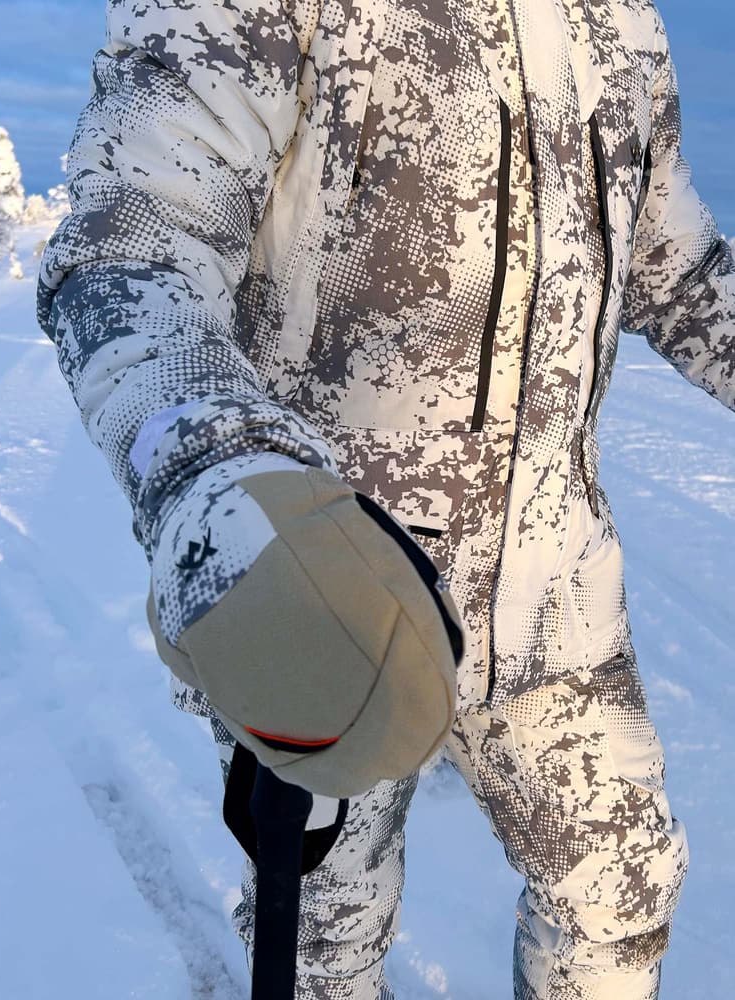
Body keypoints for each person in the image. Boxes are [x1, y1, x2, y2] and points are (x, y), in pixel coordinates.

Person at [37, 1, 734, 997]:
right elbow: (133, 243)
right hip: (339, 594)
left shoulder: (620, 25)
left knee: (622, 893)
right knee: (324, 935)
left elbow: (677, 269)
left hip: (555, 592)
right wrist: (220, 477)